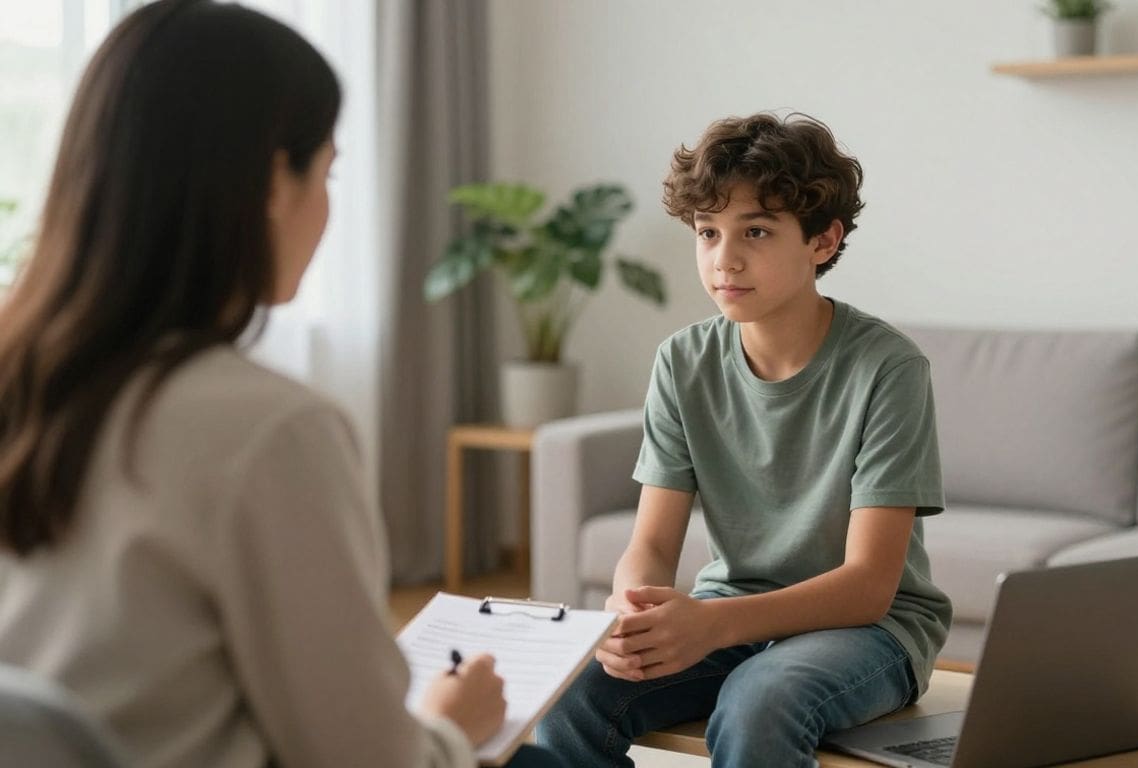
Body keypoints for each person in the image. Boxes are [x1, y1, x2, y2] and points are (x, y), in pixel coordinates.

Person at [0, 2, 564, 767]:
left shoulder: (24, 374)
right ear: (272, 178)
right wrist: (445, 725)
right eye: (326, 170)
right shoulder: (266, 430)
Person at [536, 112, 953, 767]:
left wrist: (711, 625)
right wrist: (629, 612)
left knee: (762, 701)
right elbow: (650, 543)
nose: (723, 259)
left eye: (755, 231)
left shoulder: (887, 368)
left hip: (868, 631)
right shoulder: (682, 360)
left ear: (822, 241)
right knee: (575, 697)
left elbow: (870, 585)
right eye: (708, 233)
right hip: (727, 611)